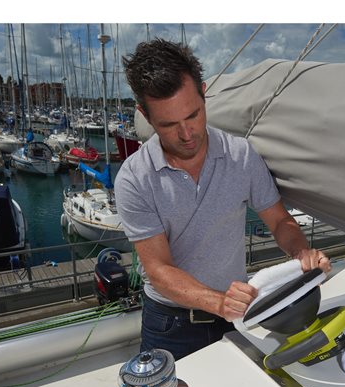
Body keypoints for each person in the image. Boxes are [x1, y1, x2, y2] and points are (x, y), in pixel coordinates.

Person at [114, 38, 331, 360]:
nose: (186, 134)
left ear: (204, 93)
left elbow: (279, 221)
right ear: (144, 114)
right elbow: (158, 269)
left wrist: (302, 253)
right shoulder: (133, 178)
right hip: (170, 324)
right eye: (169, 125)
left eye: (193, 115)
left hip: (234, 315)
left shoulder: (241, 155)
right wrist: (218, 302)